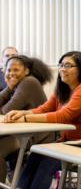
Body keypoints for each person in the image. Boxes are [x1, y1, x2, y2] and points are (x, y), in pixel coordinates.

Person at [3, 51, 81, 189]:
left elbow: (63, 116)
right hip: (72, 141)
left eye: (68, 65)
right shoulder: (63, 88)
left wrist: (25, 118)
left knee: (48, 160)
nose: (62, 69)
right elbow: (45, 108)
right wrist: (22, 113)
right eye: (61, 65)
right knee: (36, 154)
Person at [0, 55, 54, 183]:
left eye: (16, 70)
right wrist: (10, 88)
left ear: (26, 71)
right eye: (8, 70)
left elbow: (6, 111)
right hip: (20, 133)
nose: (11, 73)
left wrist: (9, 88)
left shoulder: (29, 82)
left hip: (37, 136)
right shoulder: (17, 85)